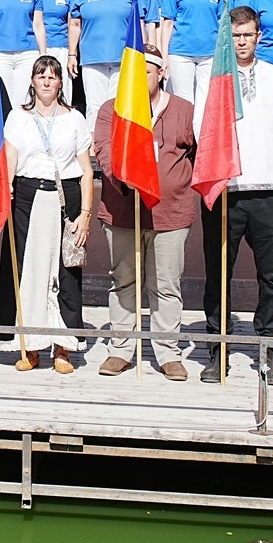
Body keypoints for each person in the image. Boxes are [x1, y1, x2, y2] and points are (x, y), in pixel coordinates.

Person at [201, 7, 273, 384]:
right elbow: (202, 124)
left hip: (268, 189)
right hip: (226, 188)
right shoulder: (211, 75)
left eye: (247, 35)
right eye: (235, 35)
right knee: (218, 274)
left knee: (272, 276)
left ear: (259, 36)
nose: (241, 42)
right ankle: (217, 351)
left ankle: (270, 351)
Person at [92, 45, 196, 380]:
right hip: (123, 211)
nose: (139, 78)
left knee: (166, 285)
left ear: (161, 73)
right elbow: (103, 150)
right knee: (124, 281)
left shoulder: (184, 110)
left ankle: (168, 353)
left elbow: (198, 153)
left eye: (146, 72)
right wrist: (126, 178)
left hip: (170, 213)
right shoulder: (111, 110)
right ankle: (121, 349)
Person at [0, 55, 94, 373]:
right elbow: (10, 159)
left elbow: (86, 171)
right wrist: (6, 190)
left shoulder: (74, 119)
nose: (47, 81)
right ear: (32, 81)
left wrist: (86, 215)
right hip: (26, 198)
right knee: (29, 272)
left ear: (61, 82)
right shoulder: (18, 117)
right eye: (41, 76)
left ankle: (63, 349)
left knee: (65, 272)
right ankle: (30, 345)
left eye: (52, 76)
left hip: (66, 199)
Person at [69, 0, 151, 128]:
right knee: (95, 107)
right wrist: (72, 54)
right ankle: (96, 146)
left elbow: (138, 24)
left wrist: (144, 54)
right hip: (92, 58)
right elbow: (74, 24)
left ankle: (116, 145)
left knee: (120, 106)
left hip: (123, 58)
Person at [157, 0, 221, 110]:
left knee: (206, 102)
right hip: (180, 54)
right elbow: (167, 24)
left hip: (211, 54)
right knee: (183, 103)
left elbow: (224, 23)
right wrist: (164, 57)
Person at [30, 0, 75, 105]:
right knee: (38, 89)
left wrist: (72, 53)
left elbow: (72, 24)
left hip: (61, 47)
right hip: (35, 47)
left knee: (63, 90)